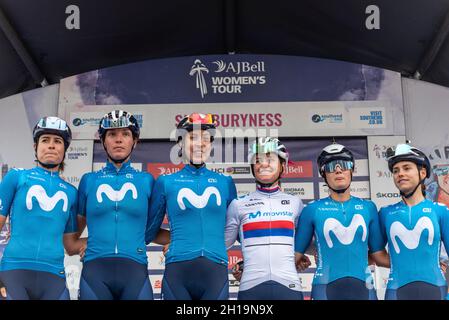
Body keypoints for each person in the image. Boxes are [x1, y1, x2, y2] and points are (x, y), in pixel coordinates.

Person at [77, 110, 169, 300]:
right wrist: (91, 243)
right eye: (112, 134)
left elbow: (150, 231)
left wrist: (181, 240)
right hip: (95, 272)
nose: (119, 140)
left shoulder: (147, 181)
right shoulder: (88, 180)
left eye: (125, 134)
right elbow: (71, 241)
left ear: (134, 141)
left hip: (135, 271)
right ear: (103, 141)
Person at [146, 112, 237, 300]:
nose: (200, 144)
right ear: (180, 142)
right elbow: (148, 233)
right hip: (178, 271)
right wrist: (180, 238)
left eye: (206, 138)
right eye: (193, 137)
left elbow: (235, 229)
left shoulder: (225, 182)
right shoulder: (166, 182)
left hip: (216, 271)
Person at [0, 116, 83, 300]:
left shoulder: (71, 192)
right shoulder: (16, 177)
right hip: (14, 272)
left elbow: (70, 245)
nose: (51, 145)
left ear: (65, 149)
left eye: (57, 141)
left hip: (54, 276)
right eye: (45, 140)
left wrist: (103, 242)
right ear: (35, 147)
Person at [294, 143, 390, 300]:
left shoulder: (368, 207)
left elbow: (379, 256)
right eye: (331, 166)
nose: (338, 169)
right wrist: (251, 269)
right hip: (324, 288)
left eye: (344, 165)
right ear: (323, 173)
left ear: (352, 170)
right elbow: (293, 257)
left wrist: (421, 263)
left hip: (364, 288)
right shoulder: (312, 210)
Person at [225, 137, 308, 300]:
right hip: (251, 286)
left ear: (282, 166)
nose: (263, 164)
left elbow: (308, 242)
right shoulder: (238, 204)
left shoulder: (295, 203)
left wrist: (302, 256)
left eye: (270, 159)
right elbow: (221, 244)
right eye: (257, 160)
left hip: (289, 285)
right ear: (252, 167)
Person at [380, 143, 449, 300]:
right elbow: (376, 255)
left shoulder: (440, 211)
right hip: (396, 291)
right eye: (396, 170)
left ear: (422, 173)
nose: (400, 174)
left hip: (435, 290)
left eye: (406, 168)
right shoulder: (385, 213)